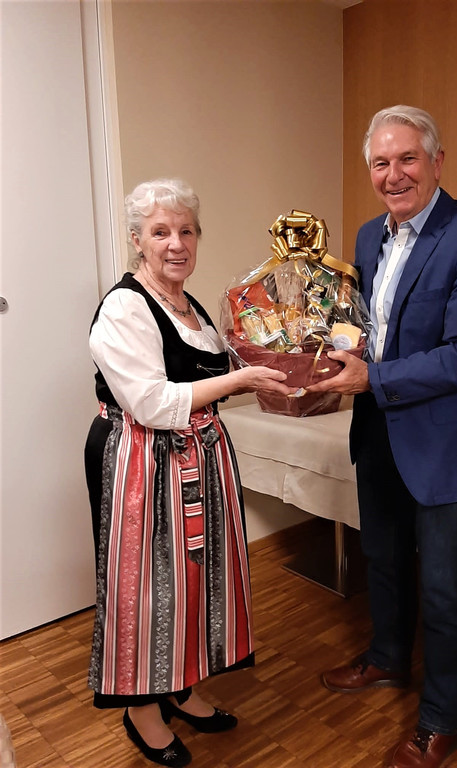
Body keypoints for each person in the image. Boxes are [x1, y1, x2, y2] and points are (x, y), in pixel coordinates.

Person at [308, 106, 457, 768]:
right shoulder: (368, 236)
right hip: (378, 434)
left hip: (444, 445)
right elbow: (368, 326)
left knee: (446, 589)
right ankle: (388, 658)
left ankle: (441, 720)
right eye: (380, 163)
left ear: (437, 162)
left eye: (407, 159)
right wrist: (323, 354)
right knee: (385, 561)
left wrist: (374, 377)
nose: (393, 175)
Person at [84, 178, 291, 767]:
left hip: (196, 455)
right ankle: (141, 711)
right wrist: (240, 380)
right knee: (147, 588)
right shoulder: (125, 307)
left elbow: (220, 369)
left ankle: (179, 687)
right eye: (160, 232)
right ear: (137, 240)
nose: (176, 243)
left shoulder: (191, 306)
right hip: (141, 460)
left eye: (186, 231)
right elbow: (151, 402)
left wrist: (286, 350)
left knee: (193, 582)